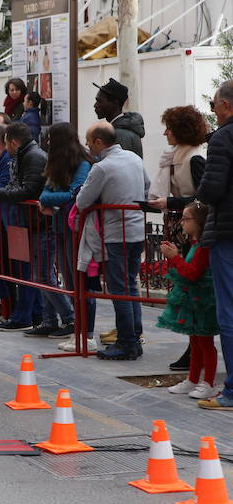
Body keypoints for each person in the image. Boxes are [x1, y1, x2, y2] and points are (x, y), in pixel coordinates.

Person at [76, 121, 150, 360]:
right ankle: (134, 336)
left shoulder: (102, 168)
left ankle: (127, 342)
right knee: (131, 285)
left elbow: (82, 201)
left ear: (99, 141)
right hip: (137, 229)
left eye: (89, 141)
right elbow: (147, 187)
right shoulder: (134, 159)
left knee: (119, 289)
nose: (87, 146)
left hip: (117, 233)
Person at [144, 105, 209, 370]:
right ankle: (193, 349)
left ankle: (196, 351)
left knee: (191, 289)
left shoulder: (194, 158)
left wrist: (171, 202)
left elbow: (203, 197)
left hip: (192, 231)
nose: (165, 133)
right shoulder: (176, 156)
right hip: (180, 227)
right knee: (184, 289)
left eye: (169, 128)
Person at [38, 123, 96, 350]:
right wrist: (51, 199)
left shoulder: (83, 164)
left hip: (77, 231)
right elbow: (46, 192)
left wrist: (49, 200)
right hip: (61, 229)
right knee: (71, 283)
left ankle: (87, 335)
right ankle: (78, 332)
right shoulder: (56, 165)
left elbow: (75, 193)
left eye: (51, 139)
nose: (48, 143)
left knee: (81, 283)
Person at [0, 123, 47, 332]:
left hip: (31, 222)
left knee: (28, 272)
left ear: (12, 142)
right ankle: (33, 314)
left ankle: (28, 315)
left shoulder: (33, 157)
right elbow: (15, 184)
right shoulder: (22, 156)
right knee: (24, 271)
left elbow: (28, 189)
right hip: (21, 220)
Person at [158, 202, 219, 400]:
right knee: (195, 341)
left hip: (203, 301)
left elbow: (192, 273)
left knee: (204, 342)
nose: (182, 222)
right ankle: (193, 379)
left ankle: (209, 382)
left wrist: (175, 258)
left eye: (186, 218)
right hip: (195, 299)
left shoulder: (203, 247)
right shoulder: (195, 244)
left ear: (199, 221)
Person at [196, 80, 233, 410]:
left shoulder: (223, 137)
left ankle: (232, 390)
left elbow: (212, 188)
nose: (212, 111)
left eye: (213, 105)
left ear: (226, 106)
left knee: (229, 312)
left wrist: (196, 200)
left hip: (227, 233)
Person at [93, 78, 145, 158]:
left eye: (100, 101)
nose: (95, 105)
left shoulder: (119, 134)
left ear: (115, 103)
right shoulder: (121, 129)